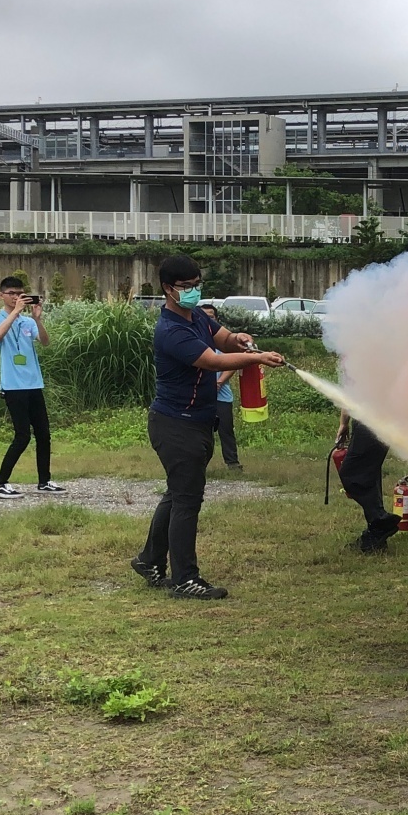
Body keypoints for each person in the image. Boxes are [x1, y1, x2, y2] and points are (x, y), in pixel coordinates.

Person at [131, 256, 284, 599]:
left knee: (177, 494)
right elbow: (212, 361)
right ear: (168, 289)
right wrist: (257, 357)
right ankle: (184, 578)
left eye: (197, 283)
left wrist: (241, 339)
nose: (193, 291)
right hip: (175, 425)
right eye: (185, 286)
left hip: (197, 423)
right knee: (187, 500)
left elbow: (224, 341)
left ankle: (149, 560)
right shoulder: (171, 330)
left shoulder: (197, 316)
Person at [0, 277, 66, 499]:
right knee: (22, 436)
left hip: (34, 384)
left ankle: (44, 481)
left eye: (20, 293)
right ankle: (0, 483)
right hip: (13, 386)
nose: (16, 297)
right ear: (1, 295)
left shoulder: (27, 323)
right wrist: (15, 312)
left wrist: (37, 319)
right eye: (11, 293)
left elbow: (45, 342)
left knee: (44, 434)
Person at [335, 410, 401, 554]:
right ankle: (376, 536)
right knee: (369, 473)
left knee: (351, 474)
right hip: (381, 420)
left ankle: (381, 521)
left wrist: (343, 423)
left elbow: (349, 390)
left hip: (370, 421)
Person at [200, 305, 243, 472]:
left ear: (216, 320)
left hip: (221, 396)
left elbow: (231, 364)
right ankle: (199, 466)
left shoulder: (222, 341)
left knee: (226, 431)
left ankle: (232, 463)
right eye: (204, 317)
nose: (208, 320)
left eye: (211, 317)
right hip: (202, 396)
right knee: (202, 433)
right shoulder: (195, 340)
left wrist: (218, 383)